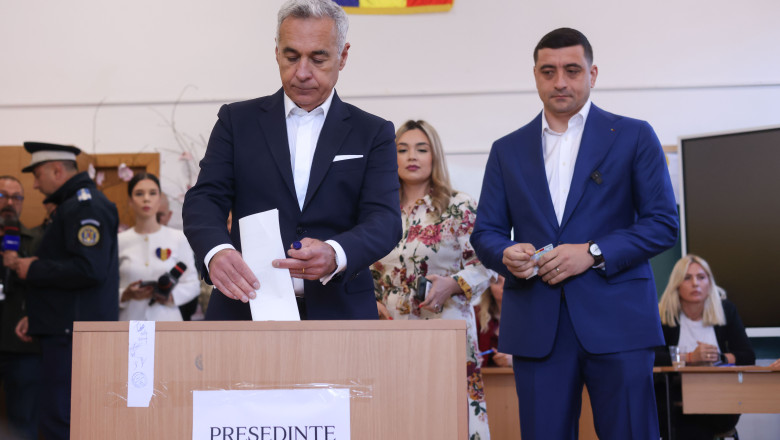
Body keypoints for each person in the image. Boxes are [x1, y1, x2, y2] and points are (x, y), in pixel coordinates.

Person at [470, 28, 678, 440]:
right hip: (537, 326)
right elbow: (487, 232)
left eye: (572, 70)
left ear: (592, 74)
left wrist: (593, 251)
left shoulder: (635, 136)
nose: (560, 81)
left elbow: (662, 223)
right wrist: (506, 253)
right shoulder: (507, 150)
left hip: (619, 322)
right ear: (535, 75)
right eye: (548, 72)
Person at [183, 0, 401, 321]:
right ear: (276, 52)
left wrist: (336, 252)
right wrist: (217, 251)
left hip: (340, 312)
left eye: (318, 59)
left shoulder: (372, 132)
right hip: (245, 307)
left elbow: (384, 219)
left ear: (343, 56)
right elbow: (204, 199)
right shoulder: (236, 121)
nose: (302, 72)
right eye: (291, 57)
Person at [371, 120, 493, 439]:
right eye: (402, 149)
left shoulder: (459, 206)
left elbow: (486, 265)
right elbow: (364, 267)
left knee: (448, 416)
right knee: (398, 418)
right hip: (389, 333)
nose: (412, 156)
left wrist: (454, 284)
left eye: (421, 149)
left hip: (445, 327)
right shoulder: (378, 211)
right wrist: (371, 301)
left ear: (434, 156)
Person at [9, 142, 119, 440]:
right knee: (59, 417)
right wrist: (37, 316)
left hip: (72, 335)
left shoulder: (84, 206)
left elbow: (88, 269)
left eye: (37, 175)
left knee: (61, 420)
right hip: (66, 330)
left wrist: (33, 268)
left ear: (57, 170)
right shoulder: (74, 205)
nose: (35, 184)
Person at [655, 254, 754, 439]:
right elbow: (652, 358)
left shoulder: (726, 310)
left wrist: (719, 358)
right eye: (687, 278)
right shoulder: (663, 315)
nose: (695, 283)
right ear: (676, 284)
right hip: (674, 399)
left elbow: (747, 355)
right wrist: (689, 358)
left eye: (701, 277)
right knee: (685, 423)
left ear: (709, 282)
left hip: (719, 397)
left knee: (698, 423)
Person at [118, 173, 199, 321]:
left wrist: (170, 296)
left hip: (167, 320)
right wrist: (125, 294)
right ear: (130, 201)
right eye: (139, 194)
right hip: (129, 320)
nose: (146, 198)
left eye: (152, 193)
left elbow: (193, 284)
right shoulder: (119, 241)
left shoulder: (178, 238)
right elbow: (106, 287)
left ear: (159, 198)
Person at [0, 176, 42, 440]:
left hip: (22, 347)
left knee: (23, 423)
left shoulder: (37, 241)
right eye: (2, 195)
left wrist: (19, 264)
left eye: (16, 197)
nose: (9, 203)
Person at [475, 274, 512, 368]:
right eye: (497, 281)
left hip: (517, 375)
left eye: (509, 280)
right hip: (485, 375)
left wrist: (515, 360)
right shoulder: (476, 315)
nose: (504, 287)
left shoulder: (530, 316)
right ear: (489, 287)